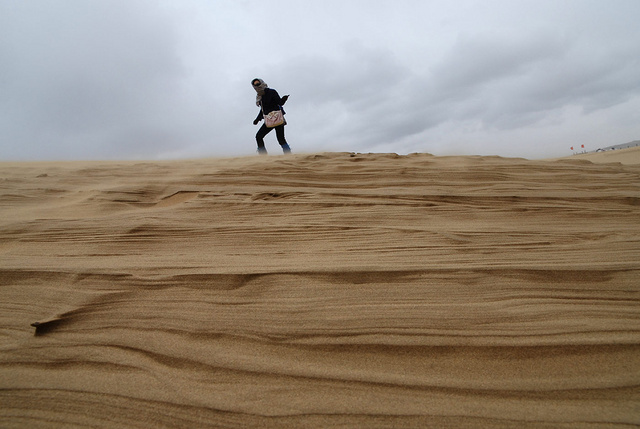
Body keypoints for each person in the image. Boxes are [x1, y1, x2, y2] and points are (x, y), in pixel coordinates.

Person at [252, 78, 291, 154]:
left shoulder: (272, 92)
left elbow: (279, 103)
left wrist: (283, 99)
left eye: (258, 83)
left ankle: (289, 156)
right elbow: (263, 109)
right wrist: (257, 119)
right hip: (268, 119)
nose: (257, 86)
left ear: (262, 83)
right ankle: (264, 156)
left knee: (281, 139)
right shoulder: (260, 96)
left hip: (277, 117)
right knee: (259, 136)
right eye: (255, 85)